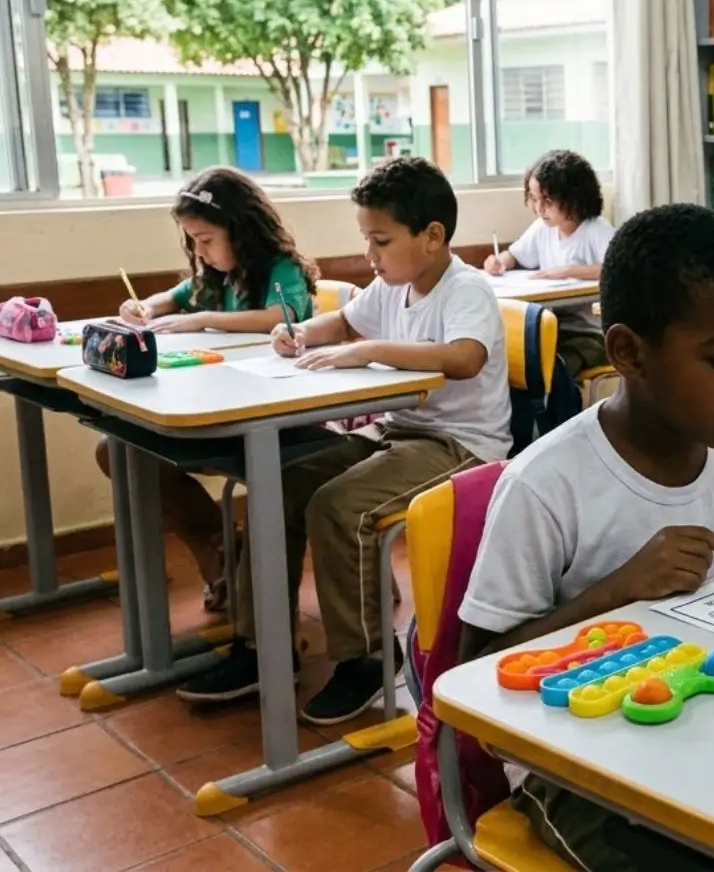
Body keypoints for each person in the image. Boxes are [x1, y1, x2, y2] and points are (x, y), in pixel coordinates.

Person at [459, 203, 714, 871]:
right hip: (580, 773)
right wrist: (615, 594)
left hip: (712, 730)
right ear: (629, 352)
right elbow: (477, 680)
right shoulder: (546, 486)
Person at [177, 157, 512, 725]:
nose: (370, 255)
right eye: (366, 240)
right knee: (278, 487)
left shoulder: (466, 289)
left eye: (380, 240)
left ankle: (367, 658)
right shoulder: (390, 287)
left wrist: (369, 350)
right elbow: (342, 323)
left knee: (338, 506)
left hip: (460, 447)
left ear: (432, 237)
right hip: (397, 434)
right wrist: (299, 332)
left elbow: (463, 357)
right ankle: (263, 649)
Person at [98, 167, 317, 614]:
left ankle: (226, 565)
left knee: (134, 453)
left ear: (240, 229)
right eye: (193, 241)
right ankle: (219, 548)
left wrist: (203, 319)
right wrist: (145, 306)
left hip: (276, 416)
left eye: (206, 239)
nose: (200, 250)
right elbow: (174, 297)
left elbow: (281, 314)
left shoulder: (281, 268)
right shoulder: (214, 273)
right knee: (118, 450)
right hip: (220, 410)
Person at [482, 149, 615, 376]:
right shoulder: (542, 229)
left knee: (552, 369)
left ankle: (559, 409)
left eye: (548, 200)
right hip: (552, 329)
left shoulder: (596, 229)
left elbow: (617, 269)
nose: (539, 208)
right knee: (512, 361)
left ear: (574, 198)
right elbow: (515, 255)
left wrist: (569, 272)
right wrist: (499, 261)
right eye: (534, 199)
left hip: (591, 333)